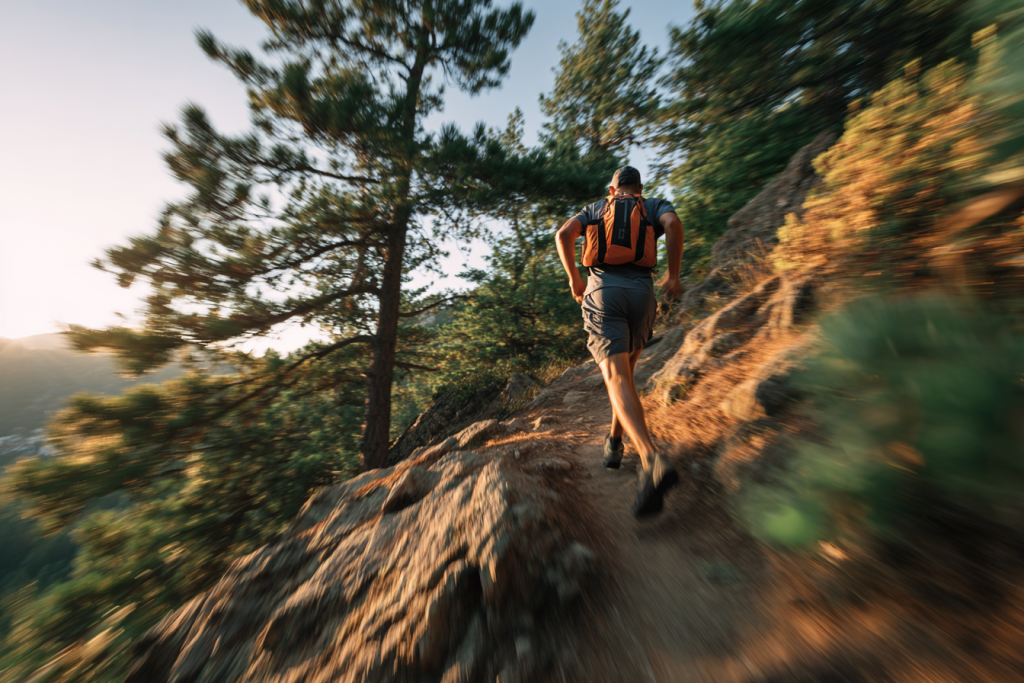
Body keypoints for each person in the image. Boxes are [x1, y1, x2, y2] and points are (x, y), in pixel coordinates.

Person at [555, 166, 684, 516]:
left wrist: (574, 281)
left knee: (616, 378)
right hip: (643, 294)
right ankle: (614, 443)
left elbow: (564, 234)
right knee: (625, 374)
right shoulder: (654, 205)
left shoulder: (597, 209)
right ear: (638, 189)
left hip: (604, 292)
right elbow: (673, 226)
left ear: (613, 191)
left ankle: (651, 457)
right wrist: (673, 274)